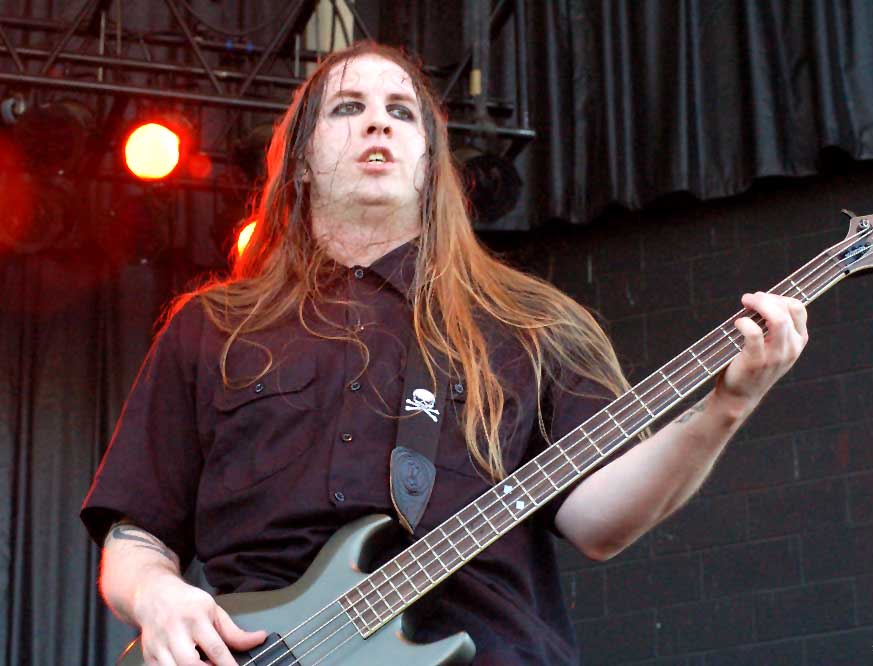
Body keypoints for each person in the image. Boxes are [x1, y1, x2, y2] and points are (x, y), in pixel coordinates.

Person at [81, 41, 808, 666]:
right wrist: (157, 595)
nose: (378, 121)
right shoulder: (214, 327)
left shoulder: (528, 323)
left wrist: (727, 405)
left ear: (431, 165)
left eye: (402, 112)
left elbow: (599, 522)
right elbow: (136, 533)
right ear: (298, 161)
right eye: (348, 108)